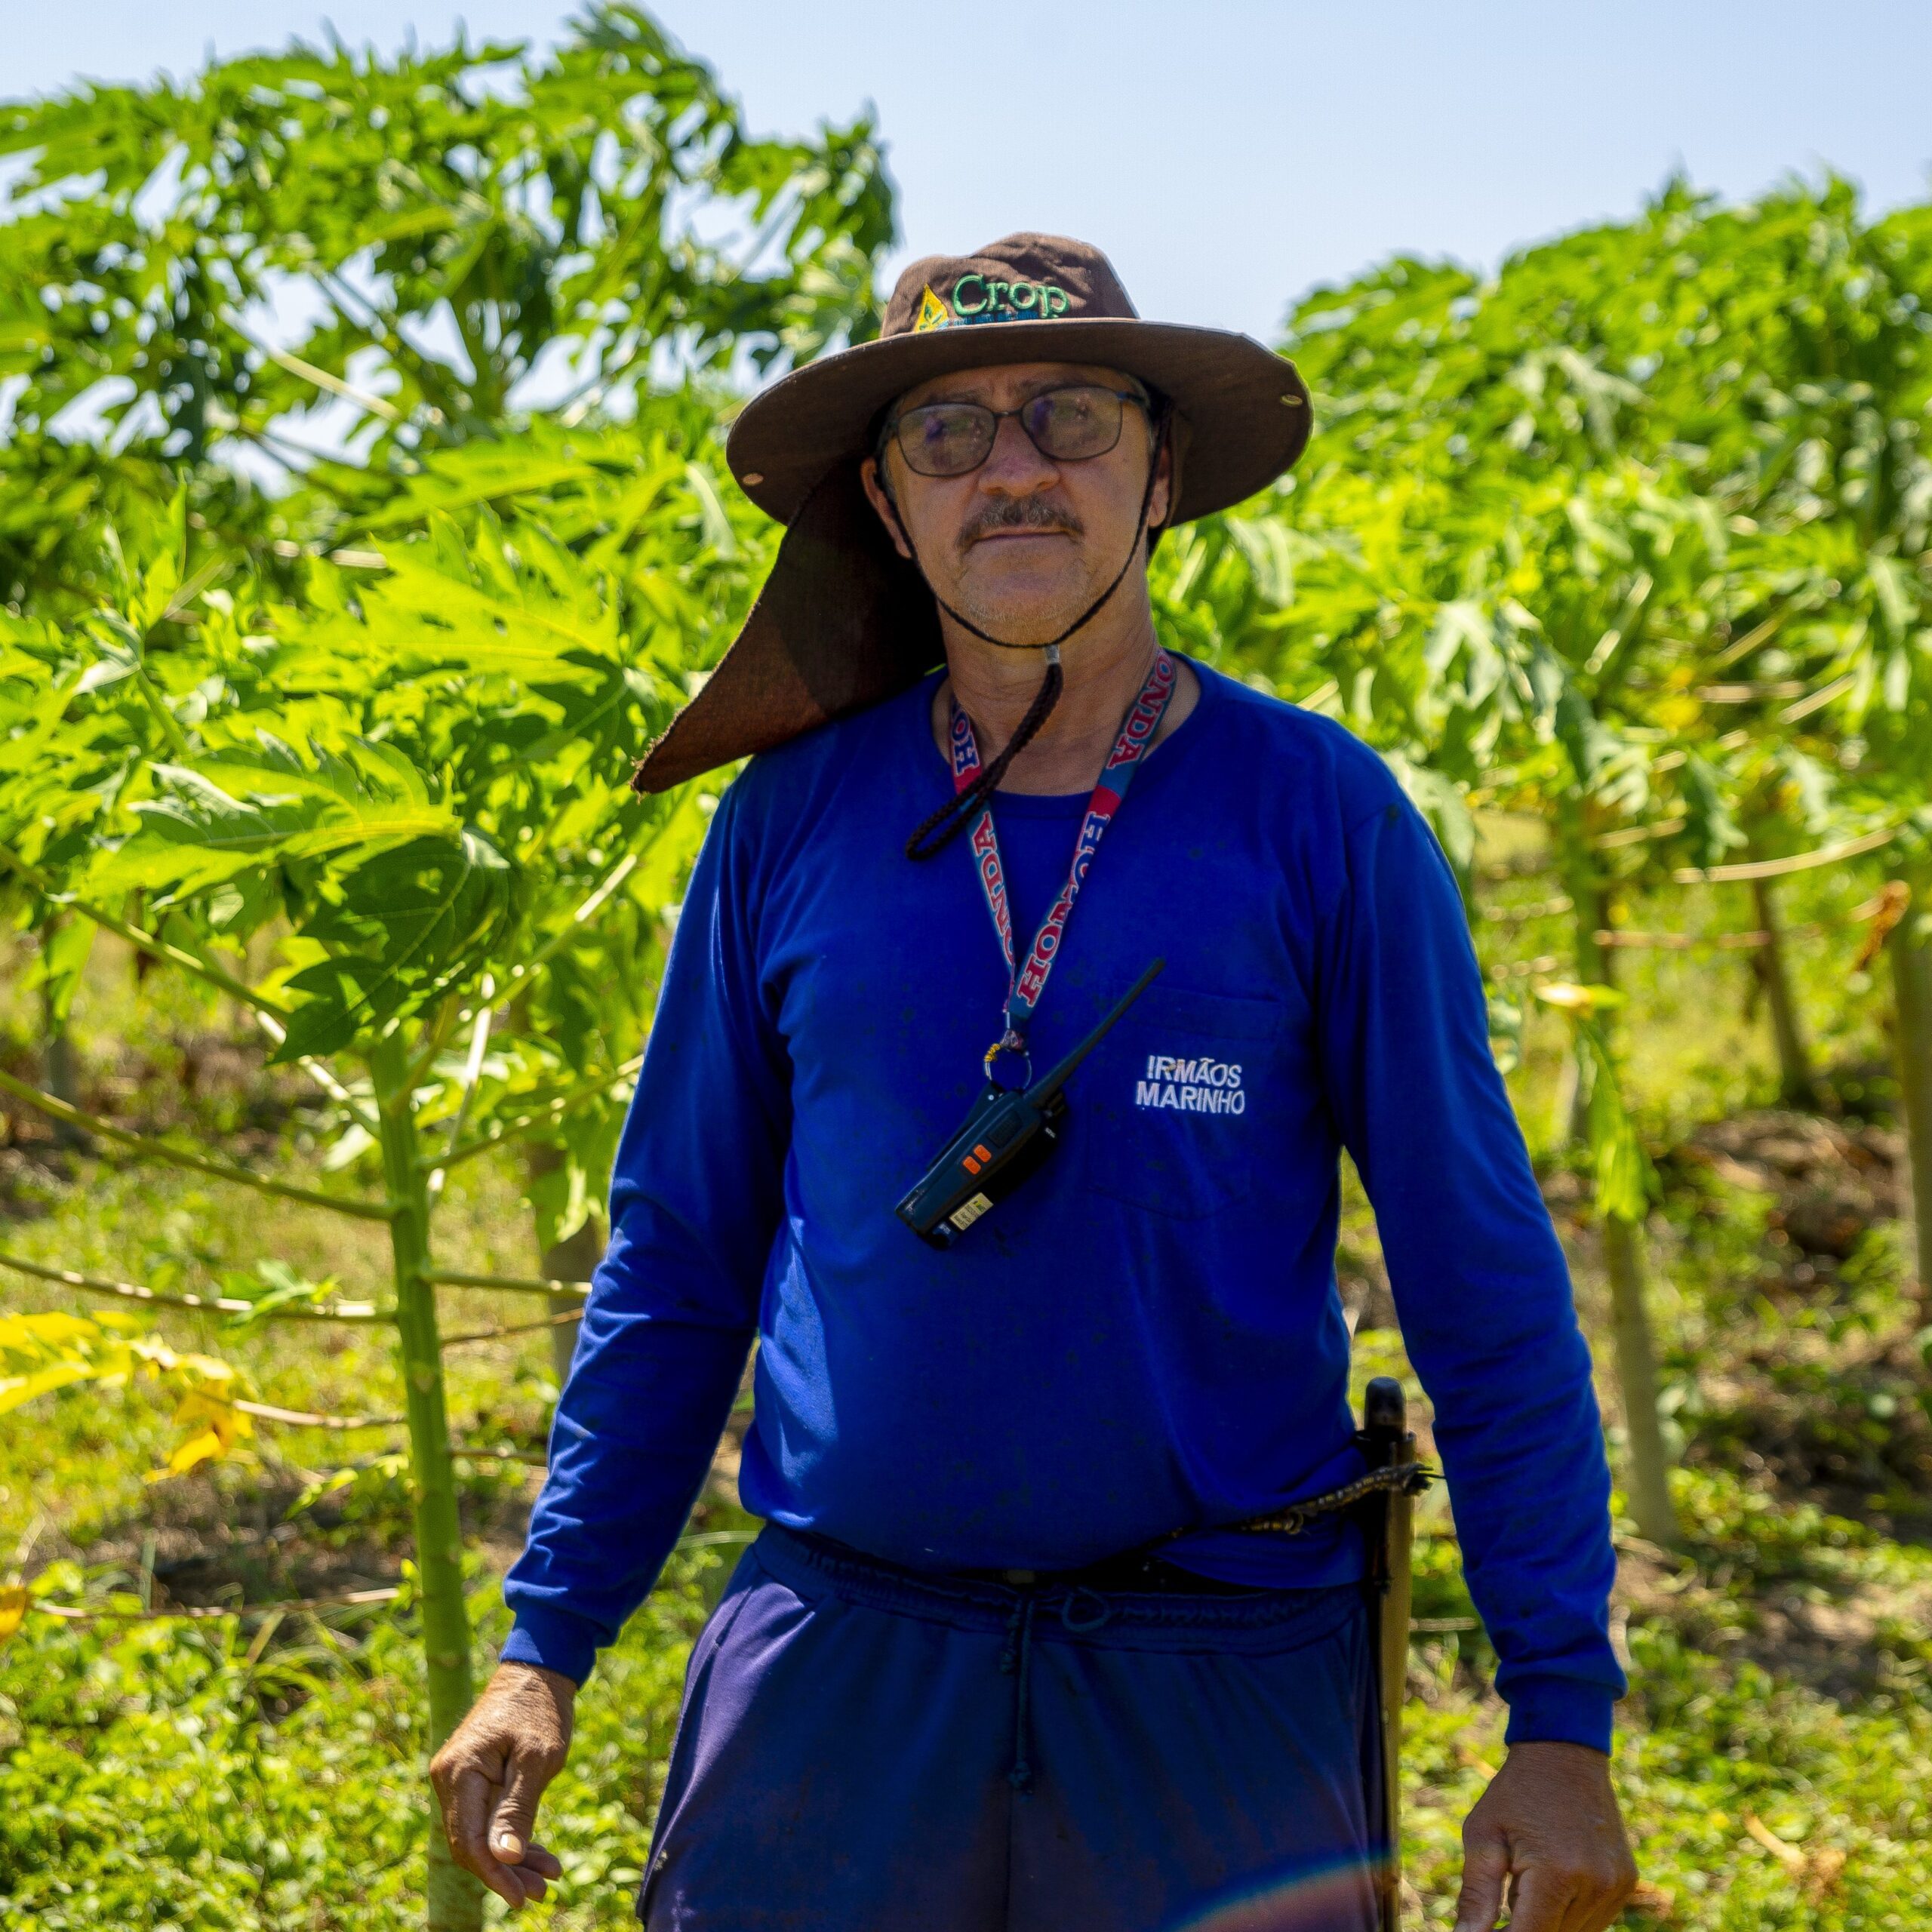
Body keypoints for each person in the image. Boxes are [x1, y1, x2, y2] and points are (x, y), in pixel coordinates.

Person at [429, 234, 1638, 1932]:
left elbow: (1478, 1278)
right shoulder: (784, 822)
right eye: (947, 434)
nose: (1011, 469)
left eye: (1069, 416)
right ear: (884, 500)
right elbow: (676, 1258)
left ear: (1157, 472)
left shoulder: (1316, 816)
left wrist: (1559, 1721)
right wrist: (540, 1644)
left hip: (1213, 1668)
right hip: (846, 1660)